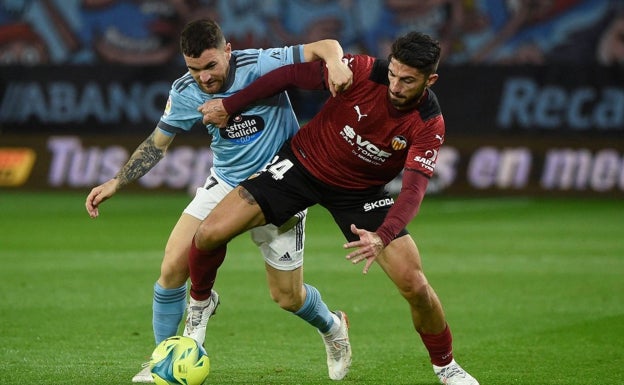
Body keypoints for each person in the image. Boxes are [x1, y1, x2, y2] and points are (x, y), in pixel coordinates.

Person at [192, 31, 479, 385]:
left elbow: (414, 190)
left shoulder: (428, 123)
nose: (396, 85)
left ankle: (446, 366)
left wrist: (382, 236)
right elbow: (287, 77)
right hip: (301, 165)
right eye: (393, 74)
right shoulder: (361, 71)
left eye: (408, 80)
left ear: (429, 80)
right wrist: (230, 105)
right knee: (207, 234)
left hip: (360, 194)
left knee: (415, 285)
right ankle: (200, 306)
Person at [85, 19, 353, 383]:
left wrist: (335, 62)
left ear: (228, 51)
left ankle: (333, 327)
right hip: (225, 183)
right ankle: (166, 358)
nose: (204, 78)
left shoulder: (259, 63)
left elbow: (325, 45)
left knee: (287, 297)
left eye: (210, 66)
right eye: (194, 69)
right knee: (171, 267)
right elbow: (157, 144)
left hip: (281, 187)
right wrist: (117, 181)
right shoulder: (185, 92)